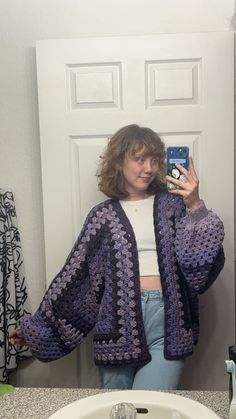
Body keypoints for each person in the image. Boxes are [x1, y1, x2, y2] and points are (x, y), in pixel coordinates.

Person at [10, 124, 225, 390]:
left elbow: (200, 269)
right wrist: (37, 329)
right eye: (140, 159)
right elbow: (76, 279)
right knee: (117, 410)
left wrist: (194, 203)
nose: (149, 168)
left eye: (155, 160)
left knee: (152, 409)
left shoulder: (174, 206)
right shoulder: (103, 217)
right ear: (119, 160)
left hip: (169, 323)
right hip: (116, 329)